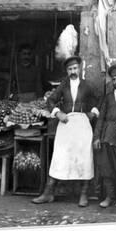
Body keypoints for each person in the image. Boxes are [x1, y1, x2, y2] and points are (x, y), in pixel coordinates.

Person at [32, 55, 100, 207]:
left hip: (82, 125)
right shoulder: (63, 85)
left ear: (80, 68)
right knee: (59, 156)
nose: (73, 71)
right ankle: (48, 193)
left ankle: (83, 195)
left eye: (75, 68)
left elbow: (99, 99)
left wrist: (93, 113)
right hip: (66, 123)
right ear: (67, 71)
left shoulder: (87, 85)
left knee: (84, 158)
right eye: (70, 69)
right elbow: (50, 100)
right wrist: (57, 113)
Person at [93, 63, 116, 208]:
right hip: (106, 136)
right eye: (114, 79)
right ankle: (110, 197)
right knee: (106, 167)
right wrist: (97, 137)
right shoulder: (108, 97)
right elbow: (101, 118)